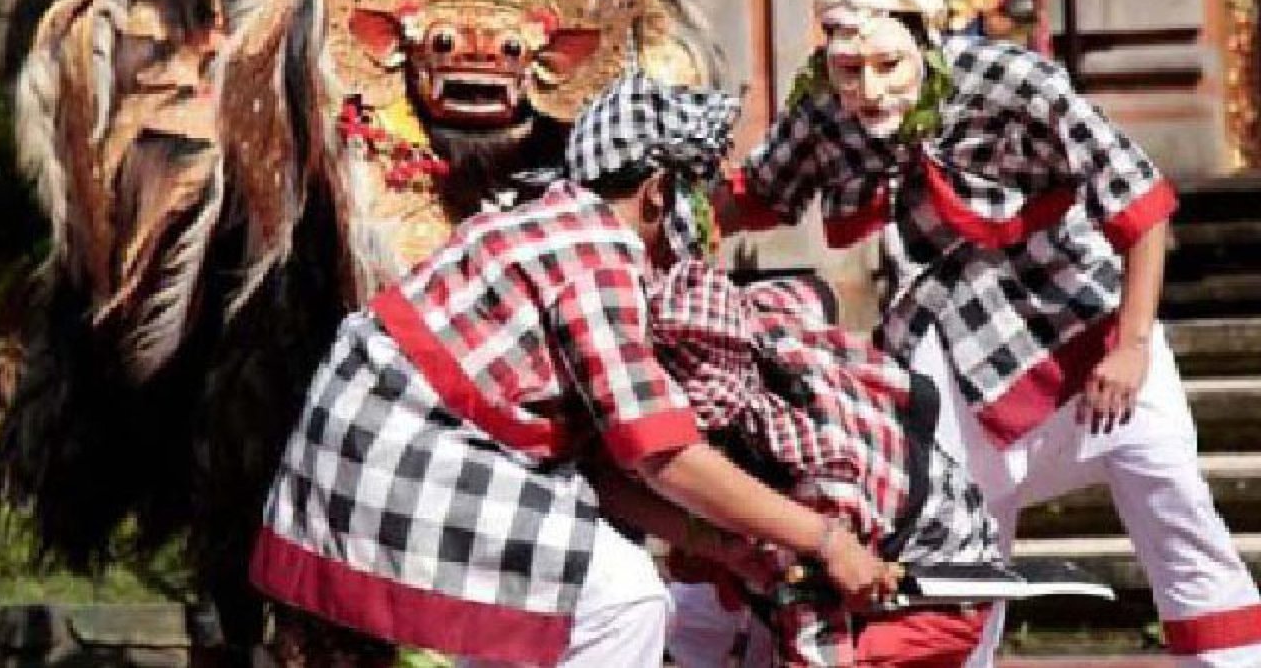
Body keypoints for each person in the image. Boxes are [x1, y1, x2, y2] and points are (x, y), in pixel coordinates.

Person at [705, 0, 1261, 668]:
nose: (872, 90)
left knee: (1179, 513)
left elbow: (1139, 204)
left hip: (1086, 321)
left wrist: (1132, 345)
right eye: (851, 70)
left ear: (925, 38)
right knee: (956, 551)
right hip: (952, 348)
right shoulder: (827, 103)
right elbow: (754, 195)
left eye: (888, 65)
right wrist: (654, 226)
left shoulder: (1017, 81)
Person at [249, 73, 899, 668]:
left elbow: (596, 469)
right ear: (658, 192)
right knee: (624, 601)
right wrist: (825, 539)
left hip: (386, 457)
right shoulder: (594, 257)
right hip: (406, 462)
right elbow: (663, 454)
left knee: (563, 605)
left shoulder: (552, 221)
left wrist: (723, 544)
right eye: (697, 196)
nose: (704, 221)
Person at [641, 257, 999, 668]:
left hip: (933, 594)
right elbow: (819, 291)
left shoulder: (808, 478)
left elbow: (817, 640)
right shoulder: (761, 312)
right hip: (890, 521)